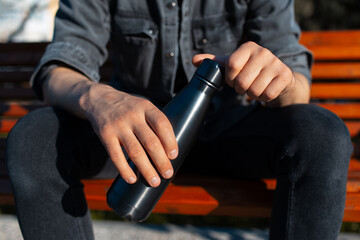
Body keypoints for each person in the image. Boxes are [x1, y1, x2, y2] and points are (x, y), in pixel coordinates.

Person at [6, 0, 352, 239]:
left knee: (322, 134)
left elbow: (296, 88)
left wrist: (280, 79)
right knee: (35, 140)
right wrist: (97, 97)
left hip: (229, 133)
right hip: (135, 138)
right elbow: (62, 66)